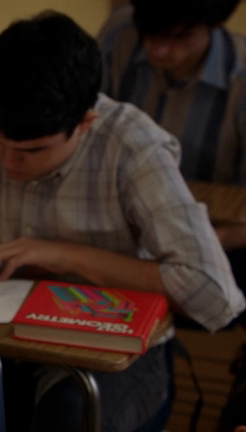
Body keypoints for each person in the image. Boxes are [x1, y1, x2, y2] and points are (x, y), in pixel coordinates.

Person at [0, 10, 246, 432]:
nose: (9, 161)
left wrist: (65, 256)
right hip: (1, 340)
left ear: (85, 124)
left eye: (33, 150)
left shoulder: (134, 148)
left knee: (64, 418)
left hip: (109, 355)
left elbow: (213, 293)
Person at [98, 0, 246, 288]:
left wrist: (208, 242)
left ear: (215, 24)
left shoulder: (239, 77)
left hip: (212, 236)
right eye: (149, 34)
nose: (158, 50)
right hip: (119, 224)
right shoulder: (120, 33)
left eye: (179, 37)